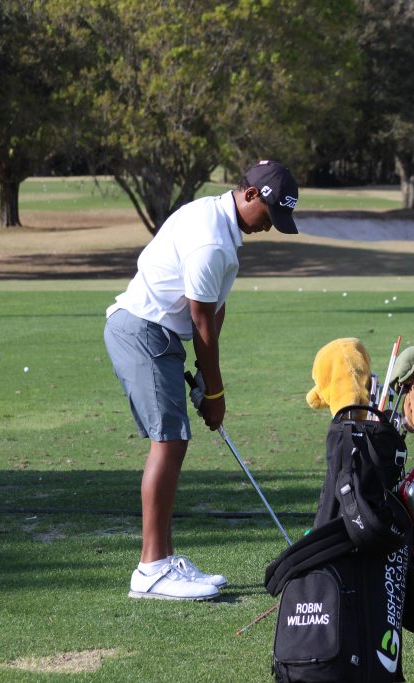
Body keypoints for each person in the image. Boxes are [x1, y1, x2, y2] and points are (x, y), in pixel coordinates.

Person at [103, 160, 299, 600]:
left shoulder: (221, 222)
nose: (269, 226)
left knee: (173, 440)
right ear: (250, 195)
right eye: (268, 215)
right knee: (169, 440)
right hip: (144, 330)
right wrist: (215, 392)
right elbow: (202, 320)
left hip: (158, 333)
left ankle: (164, 560)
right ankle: (151, 570)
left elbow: (213, 310)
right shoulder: (212, 239)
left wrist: (203, 379)